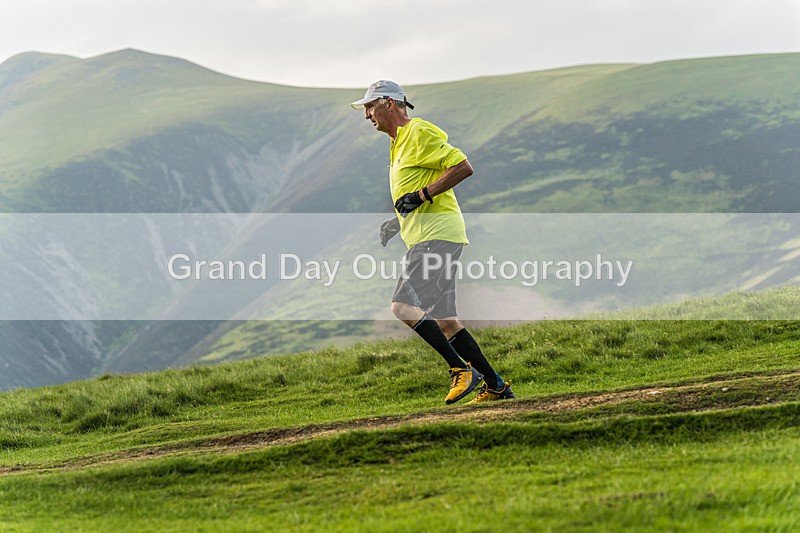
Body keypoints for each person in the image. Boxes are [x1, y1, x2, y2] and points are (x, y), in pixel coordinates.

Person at [351, 80, 515, 404]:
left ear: (389, 103)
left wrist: (422, 195)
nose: (367, 114)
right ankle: (497, 386)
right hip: (428, 235)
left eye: (370, 106)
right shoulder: (397, 143)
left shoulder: (418, 132)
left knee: (402, 306)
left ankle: (460, 370)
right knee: (446, 320)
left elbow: (462, 166)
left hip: (436, 237)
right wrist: (398, 223)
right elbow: (414, 191)